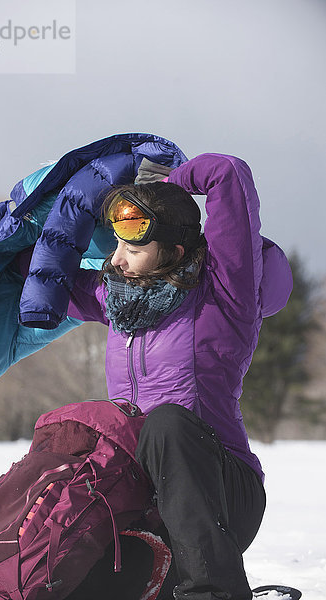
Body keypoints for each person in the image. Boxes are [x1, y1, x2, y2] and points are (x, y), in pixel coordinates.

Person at [65, 153, 293, 600]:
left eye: (132, 249)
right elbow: (38, 275)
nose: (116, 261)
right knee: (69, 438)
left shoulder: (226, 295)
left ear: (174, 250)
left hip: (224, 495)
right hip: (147, 511)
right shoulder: (115, 301)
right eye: (116, 246)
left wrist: (167, 181)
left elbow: (227, 173)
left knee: (164, 423)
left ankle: (214, 592)